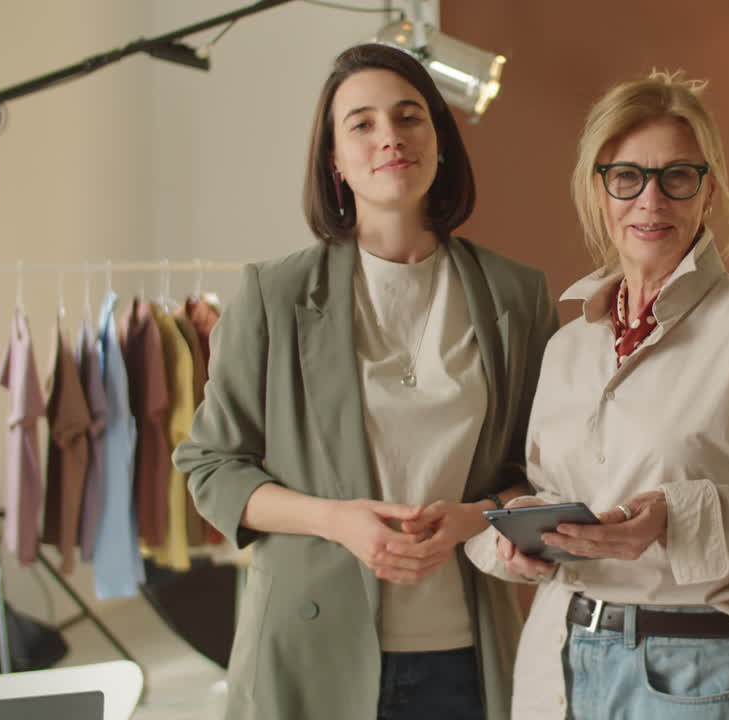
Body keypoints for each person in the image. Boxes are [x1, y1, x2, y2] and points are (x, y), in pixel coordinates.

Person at [174, 43, 557, 720]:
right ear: (334, 159)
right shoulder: (274, 294)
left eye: (410, 117)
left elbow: (543, 469)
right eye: (362, 123)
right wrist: (335, 521)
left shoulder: (516, 294)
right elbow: (211, 467)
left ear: (439, 140)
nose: (390, 137)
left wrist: (473, 517)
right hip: (308, 648)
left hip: (468, 655)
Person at [465, 70, 729, 719]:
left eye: (677, 176)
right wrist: (526, 539)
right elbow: (547, 489)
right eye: (627, 177)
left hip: (696, 671)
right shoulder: (568, 347)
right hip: (557, 661)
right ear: (598, 191)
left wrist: (675, 521)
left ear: (709, 192)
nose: (651, 200)